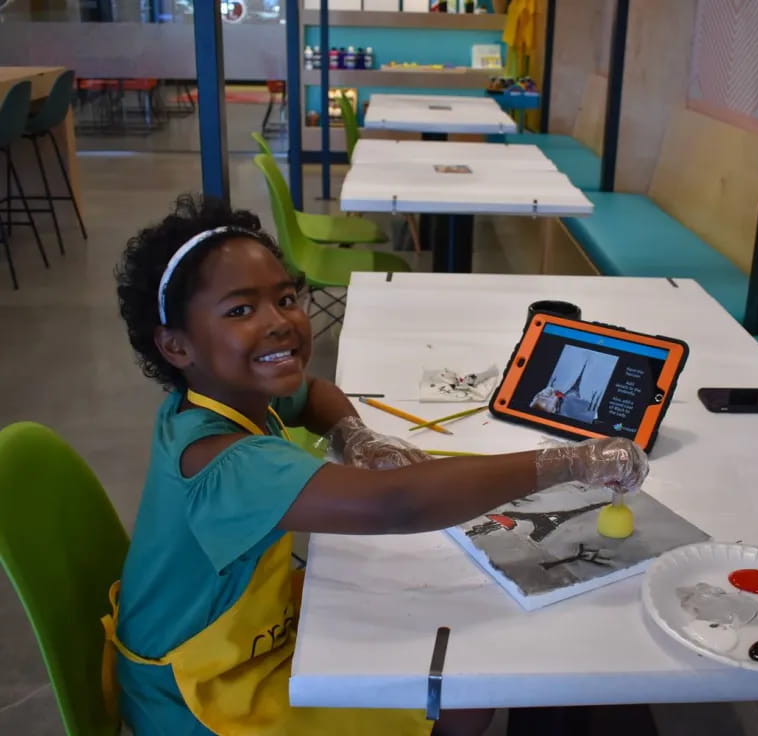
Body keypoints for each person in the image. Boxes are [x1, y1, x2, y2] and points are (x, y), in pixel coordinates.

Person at [107, 194, 649, 736]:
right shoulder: (222, 462)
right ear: (176, 346)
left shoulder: (225, 395)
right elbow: (398, 502)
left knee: (441, 635)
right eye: (240, 310)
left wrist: (354, 435)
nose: (280, 323)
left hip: (240, 634)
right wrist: (571, 460)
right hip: (202, 692)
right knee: (462, 695)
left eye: (287, 298)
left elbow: (313, 392)